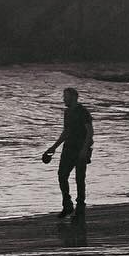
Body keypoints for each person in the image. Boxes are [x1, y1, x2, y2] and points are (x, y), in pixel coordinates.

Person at [42, 87, 94, 219]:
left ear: (74, 97)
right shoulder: (67, 112)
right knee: (62, 175)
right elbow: (66, 132)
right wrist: (53, 147)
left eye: (66, 96)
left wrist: (84, 149)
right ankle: (67, 204)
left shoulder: (83, 112)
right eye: (64, 96)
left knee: (79, 178)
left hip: (81, 148)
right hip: (68, 148)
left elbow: (90, 132)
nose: (63, 99)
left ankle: (80, 206)